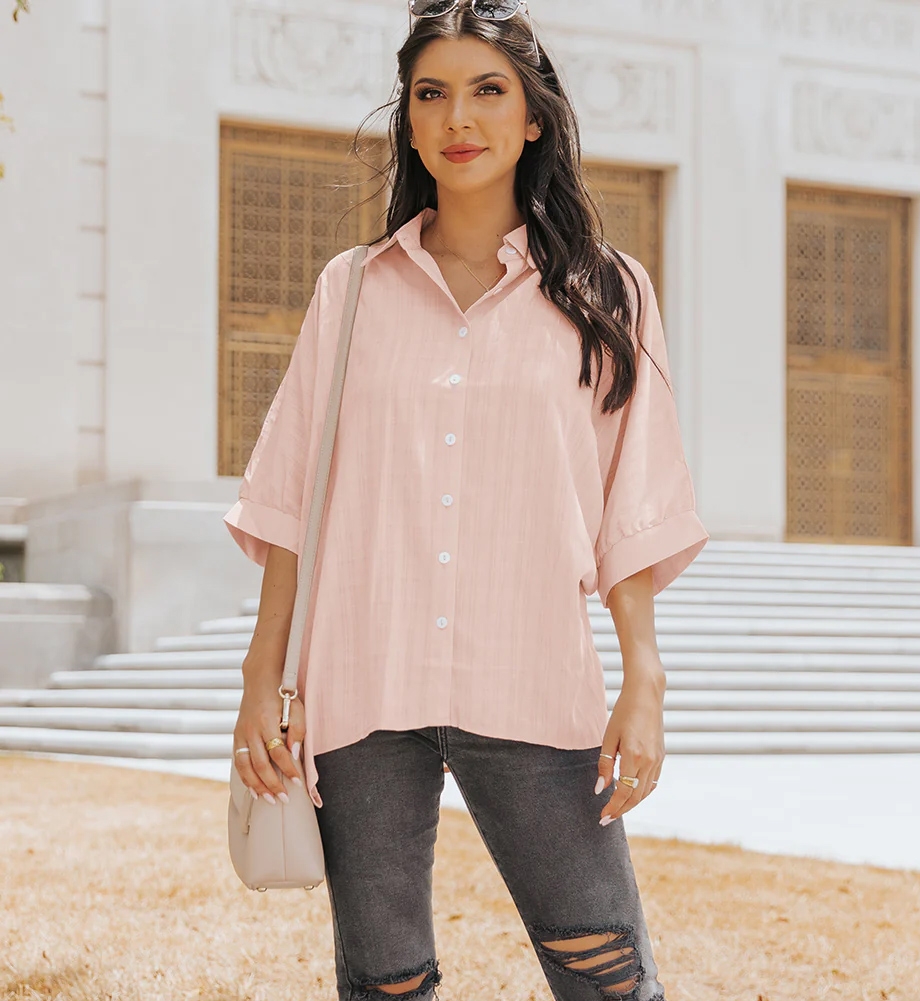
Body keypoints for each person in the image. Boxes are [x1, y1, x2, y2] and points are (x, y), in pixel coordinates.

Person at [223, 2, 709, 998]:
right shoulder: (349, 289)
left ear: (533, 115)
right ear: (407, 118)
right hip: (363, 680)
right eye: (431, 92)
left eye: (488, 90)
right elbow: (289, 501)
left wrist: (643, 677)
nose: (459, 116)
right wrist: (259, 675)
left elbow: (635, 501)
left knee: (605, 972)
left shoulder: (605, 292)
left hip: (530, 678)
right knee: (384, 981)